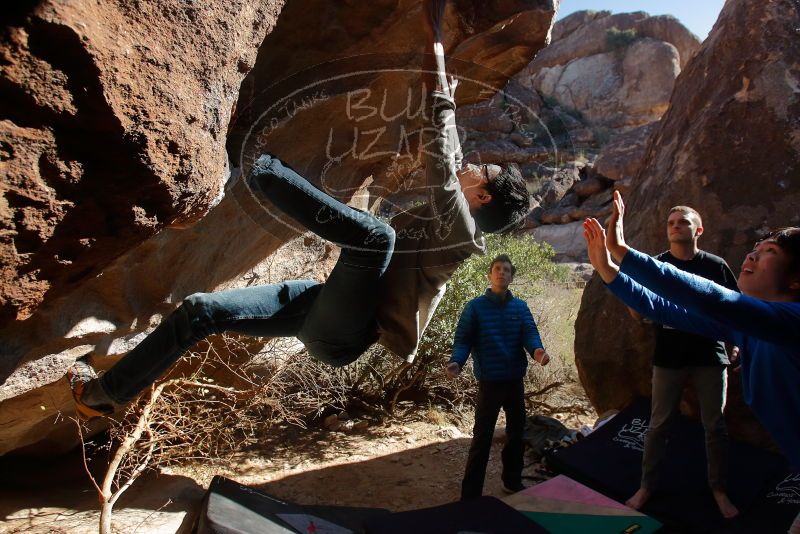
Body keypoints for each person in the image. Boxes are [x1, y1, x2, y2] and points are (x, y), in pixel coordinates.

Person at [67, 0, 531, 421]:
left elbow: (441, 153)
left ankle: (257, 166)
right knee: (200, 311)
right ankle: (102, 396)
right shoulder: (456, 216)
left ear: (484, 197)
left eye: (482, 170)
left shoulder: (462, 233)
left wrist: (435, 46)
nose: (474, 165)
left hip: (347, 333)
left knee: (376, 239)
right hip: (325, 308)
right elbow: (449, 158)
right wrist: (438, 66)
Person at [583, 191, 799, 529]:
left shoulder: (793, 321)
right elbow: (667, 309)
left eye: (768, 252)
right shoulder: (753, 331)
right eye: (755, 249)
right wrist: (608, 268)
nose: (753, 255)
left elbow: (716, 299)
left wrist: (625, 253)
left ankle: (719, 489)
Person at [625, 206, 740, 518]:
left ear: (698, 230)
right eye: (671, 223)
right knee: (658, 425)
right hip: (669, 357)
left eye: (683, 223)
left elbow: (736, 308)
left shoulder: (715, 266)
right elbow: (639, 308)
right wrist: (634, 304)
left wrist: (735, 345)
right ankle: (647, 486)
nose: (676, 227)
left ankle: (718, 489)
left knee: (715, 426)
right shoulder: (658, 265)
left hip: (710, 355)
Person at [445, 254, 550, 499]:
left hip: (514, 381)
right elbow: (463, 340)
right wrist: (456, 362)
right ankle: (470, 496)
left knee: (516, 435)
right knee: (482, 438)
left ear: (512, 276)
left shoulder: (520, 307)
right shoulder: (475, 307)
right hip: (490, 382)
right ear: (489, 275)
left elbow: (530, 335)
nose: (501, 273)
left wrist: (538, 352)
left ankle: (512, 482)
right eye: (497, 269)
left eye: (506, 270)